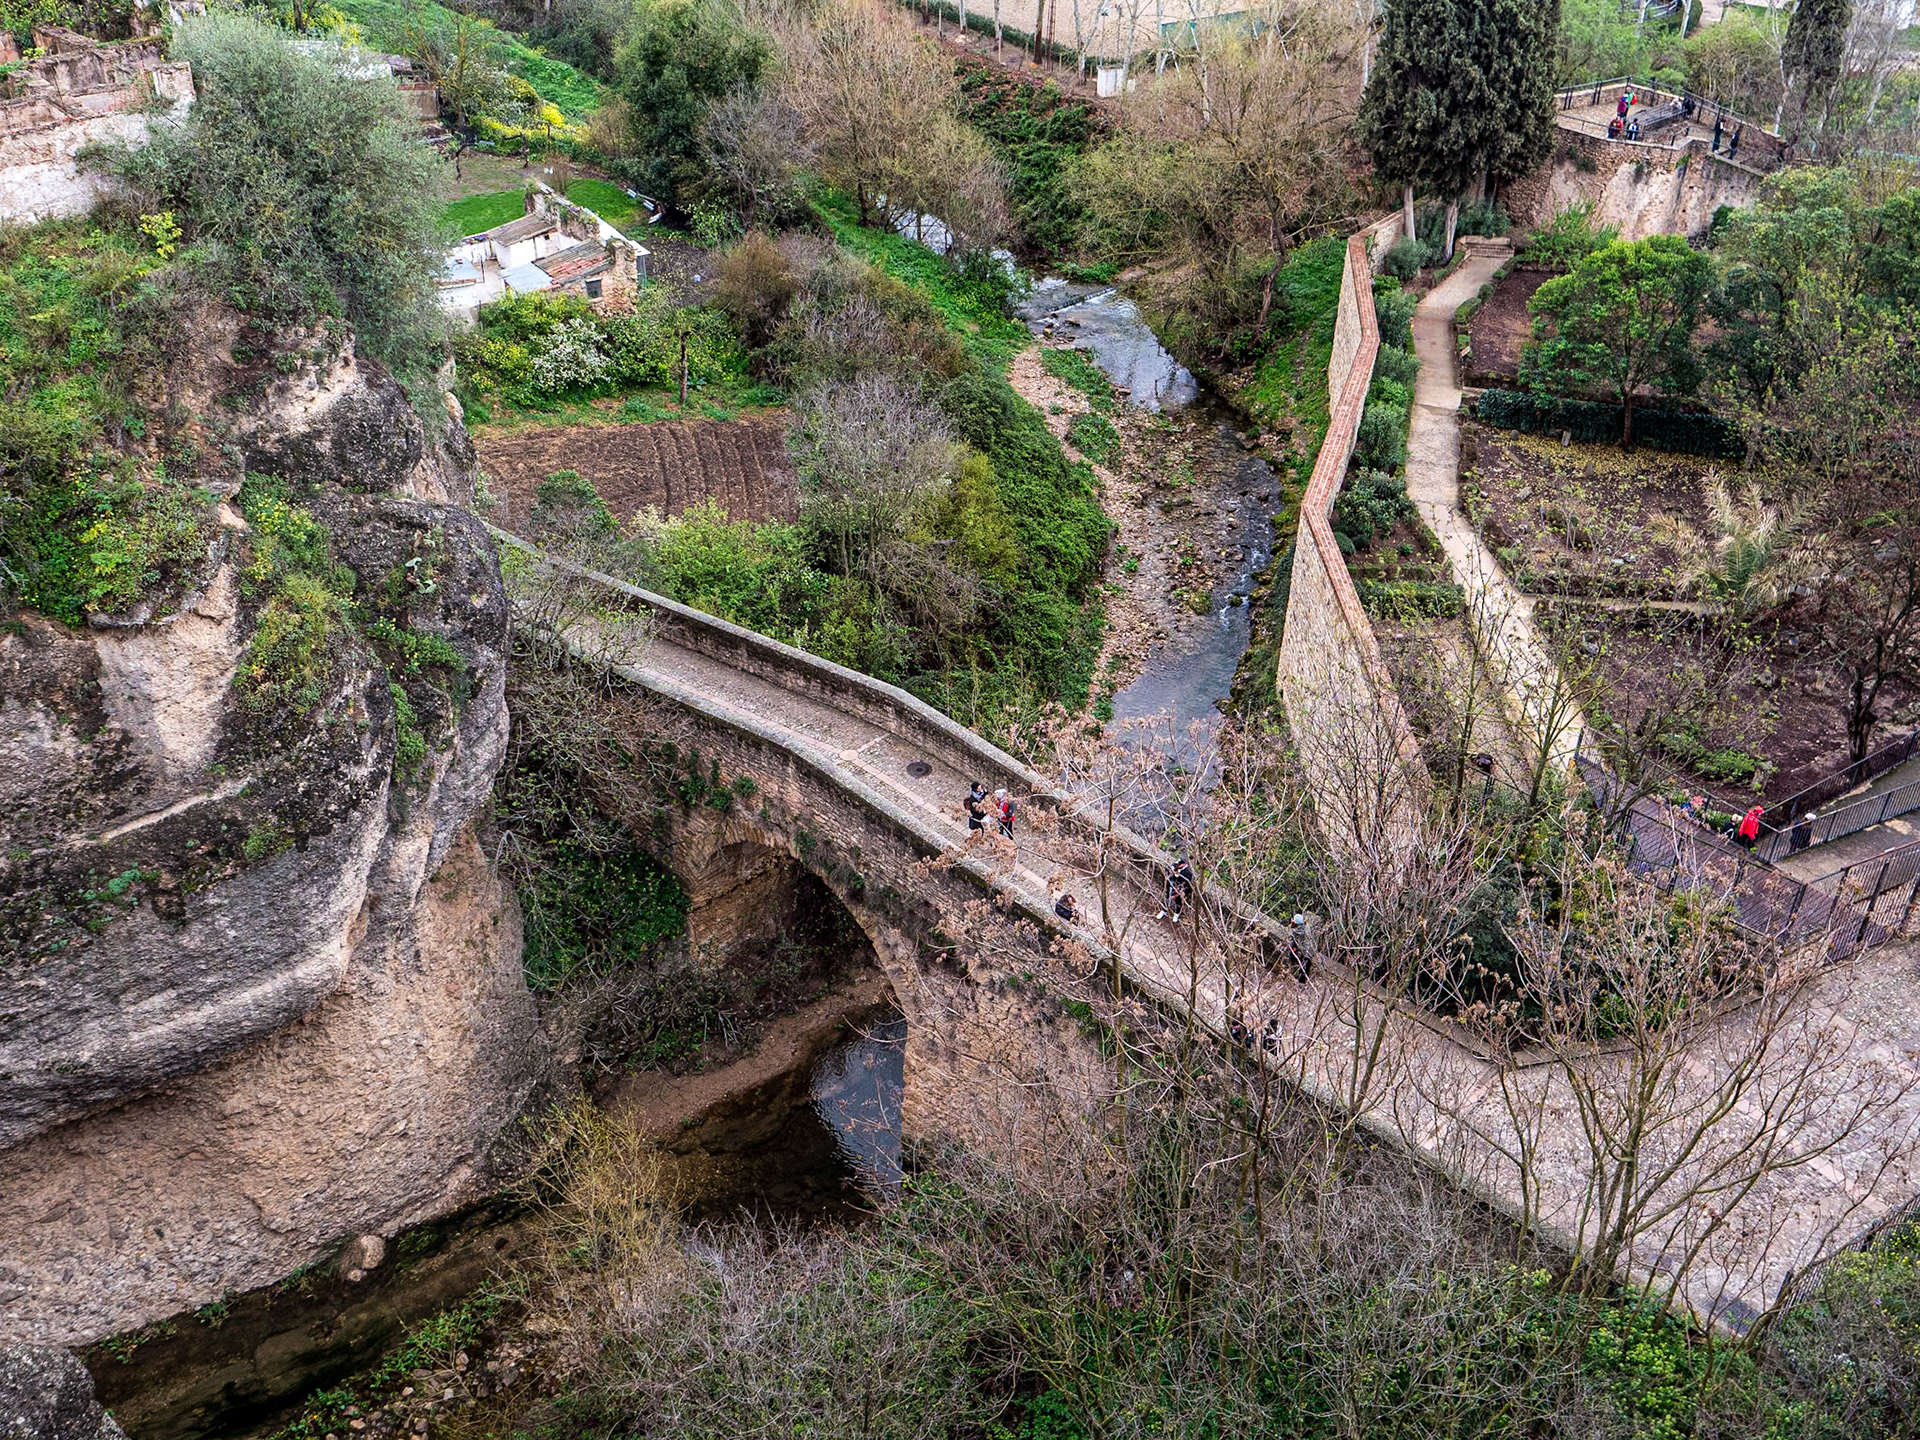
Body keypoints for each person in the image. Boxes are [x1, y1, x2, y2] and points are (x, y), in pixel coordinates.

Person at [1158, 857, 1196, 922]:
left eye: (1180, 864)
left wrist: (1181, 891)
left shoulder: (1188, 873)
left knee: (1178, 901)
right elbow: (1168, 871)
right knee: (1167, 897)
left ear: (1184, 864)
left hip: (1179, 889)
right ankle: (1164, 910)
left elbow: (1187, 883)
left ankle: (1176, 914)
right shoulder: (1175, 866)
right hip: (1171, 885)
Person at [1288, 912, 1313, 980]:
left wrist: (1292, 925)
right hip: (1310, 948)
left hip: (1304, 950)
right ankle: (1303, 978)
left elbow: (1291, 934)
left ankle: (1301, 979)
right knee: (1306, 963)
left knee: (1304, 963)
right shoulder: (1307, 927)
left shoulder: (1296, 932)